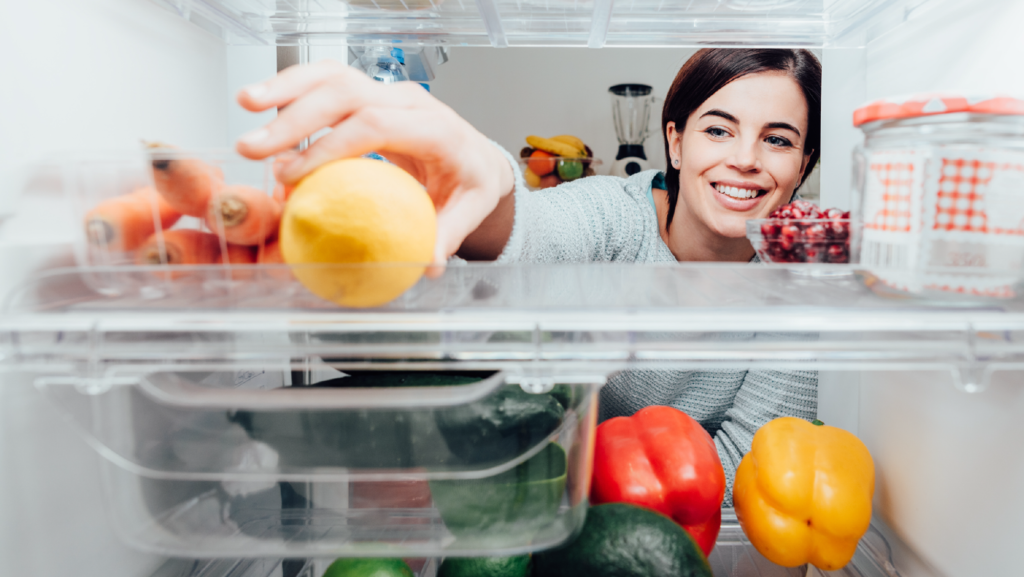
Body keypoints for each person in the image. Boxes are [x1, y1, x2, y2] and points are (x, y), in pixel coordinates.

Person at [236, 48, 820, 504]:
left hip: (672, 528)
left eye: (777, 140)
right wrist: (486, 176)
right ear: (674, 140)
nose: (745, 158)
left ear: (803, 167)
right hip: (540, 498)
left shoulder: (800, 286)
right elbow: (532, 233)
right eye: (718, 129)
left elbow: (757, 465)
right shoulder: (615, 214)